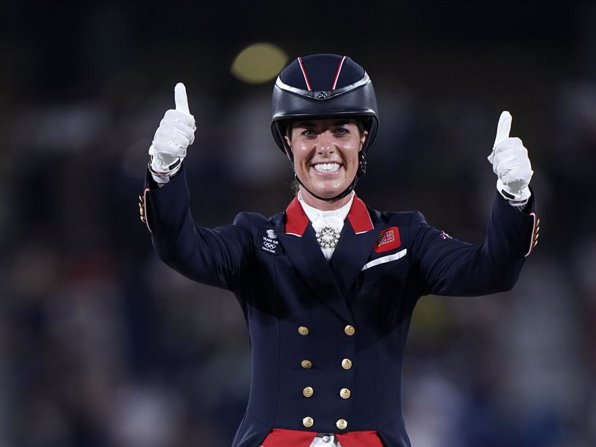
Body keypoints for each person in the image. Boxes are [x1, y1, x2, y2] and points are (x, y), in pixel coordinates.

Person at [139, 54, 540, 447]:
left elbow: (492, 271)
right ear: (288, 143)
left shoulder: (405, 237)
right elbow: (182, 248)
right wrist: (165, 171)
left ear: (362, 139)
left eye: (341, 130)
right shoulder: (255, 239)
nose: (326, 147)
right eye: (309, 132)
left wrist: (513, 199)